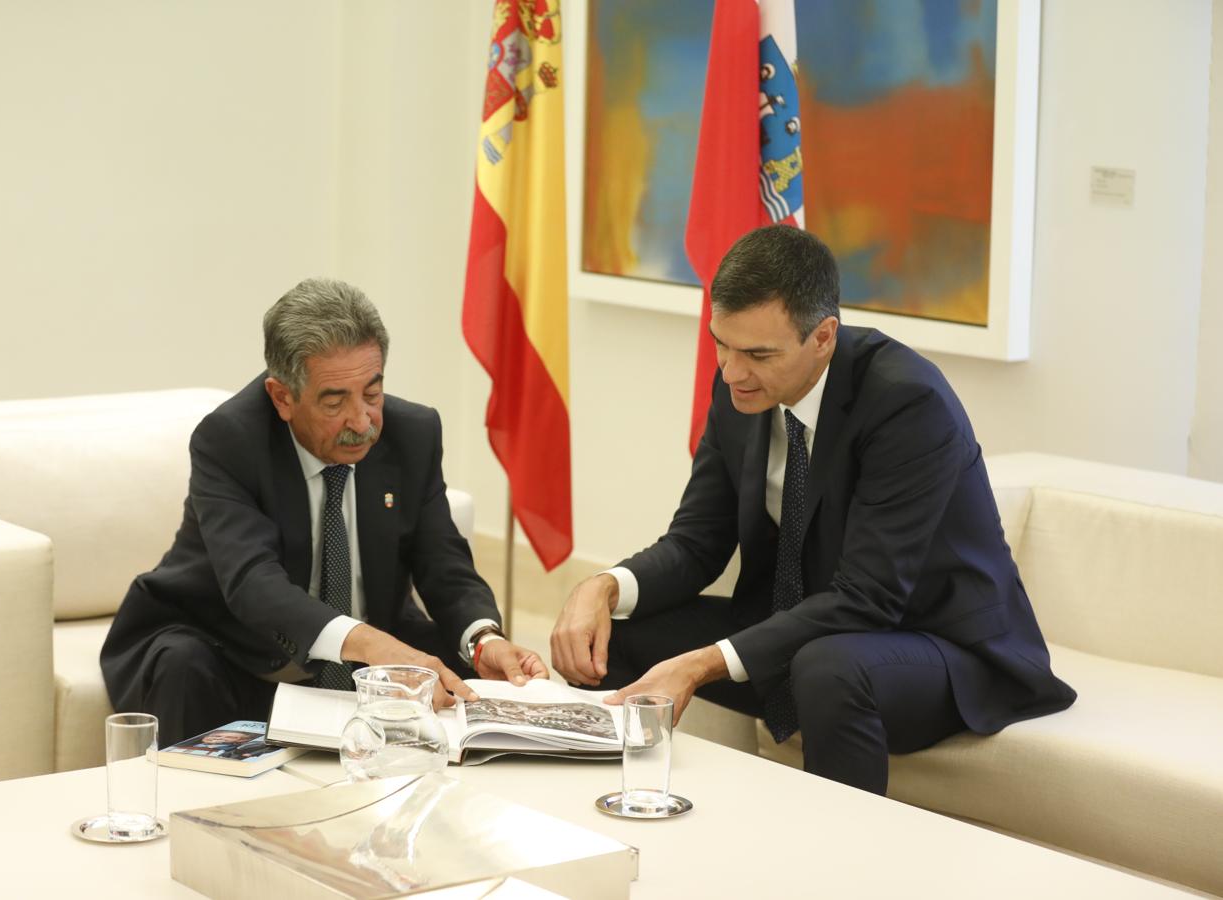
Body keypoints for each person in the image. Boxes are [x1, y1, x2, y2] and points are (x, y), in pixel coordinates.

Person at [550, 225, 1075, 794]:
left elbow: (867, 597)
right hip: (806, 628)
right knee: (619, 632)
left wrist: (701, 663)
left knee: (827, 667)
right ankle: (627, 814)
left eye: (757, 353)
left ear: (823, 336)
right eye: (720, 344)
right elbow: (697, 543)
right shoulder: (740, 388)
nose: (731, 372)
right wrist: (602, 587)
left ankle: (839, 867)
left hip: (937, 645)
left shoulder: (906, 401)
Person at [102, 278, 546, 744]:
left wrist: (483, 642)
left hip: (368, 652)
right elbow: (254, 584)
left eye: (372, 394)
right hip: (228, 642)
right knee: (185, 666)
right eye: (335, 402)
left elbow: (444, 563)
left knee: (466, 682)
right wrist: (374, 645)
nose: (361, 421)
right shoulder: (230, 440)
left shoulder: (412, 433)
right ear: (282, 397)